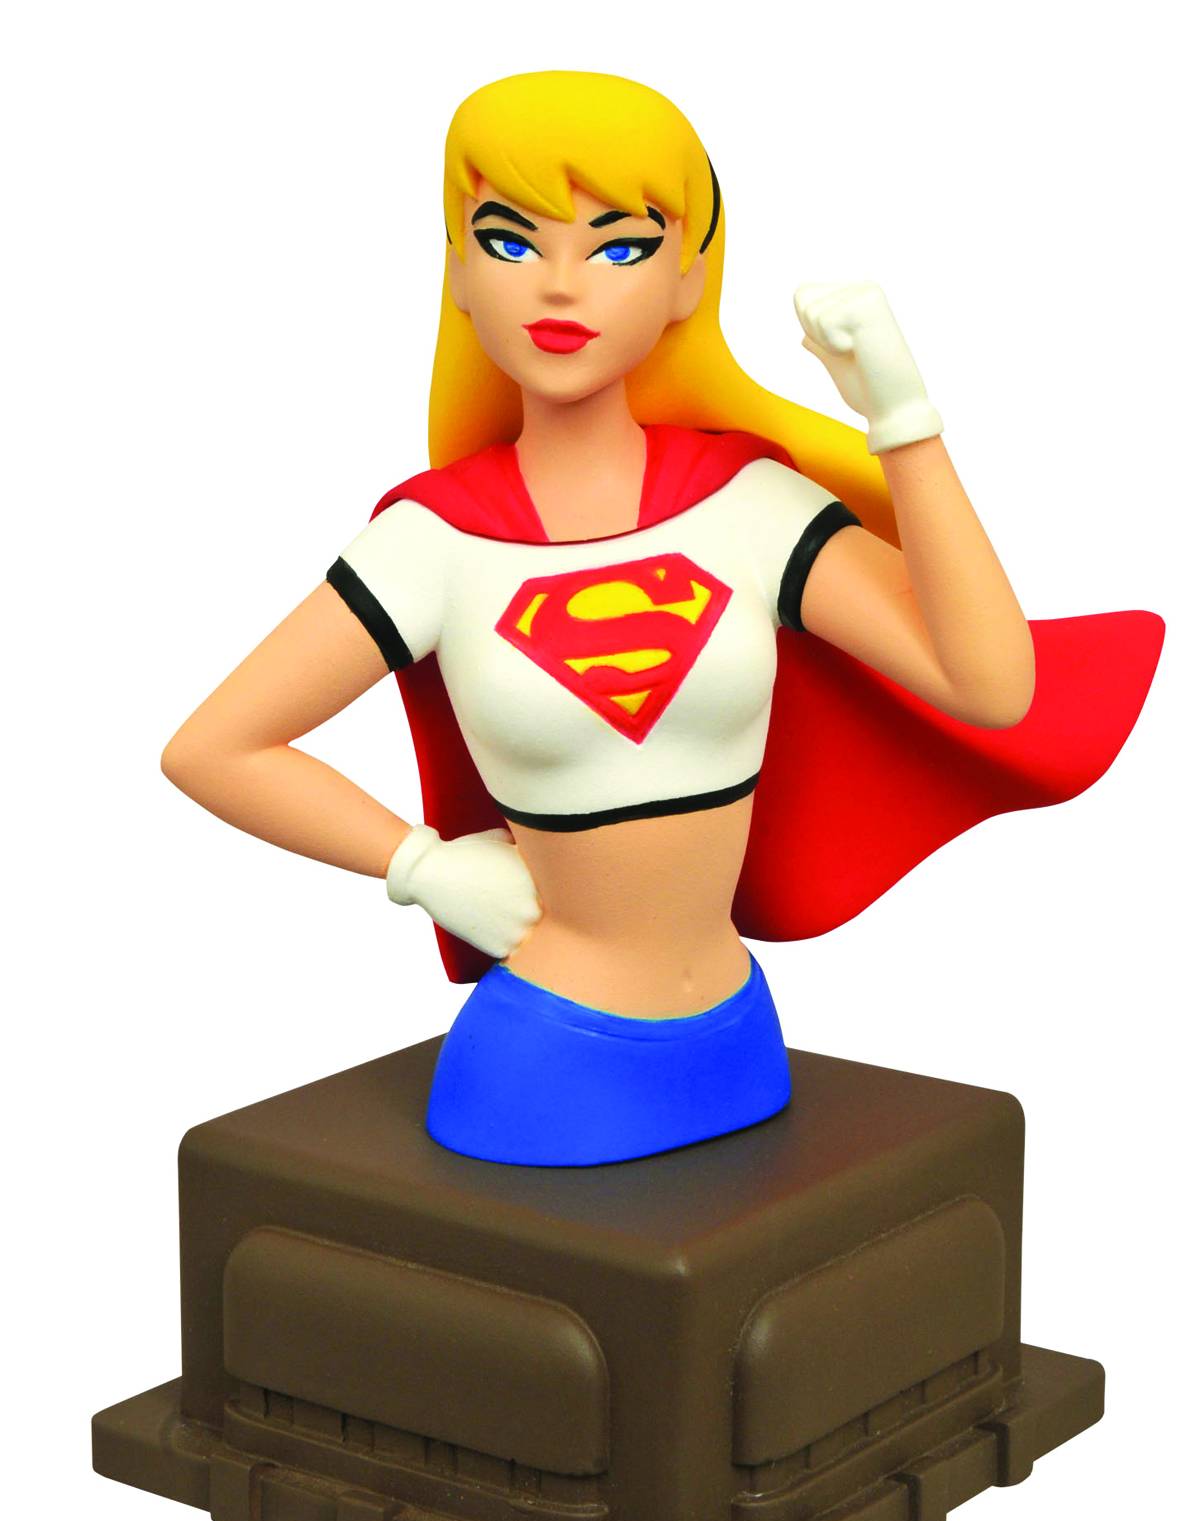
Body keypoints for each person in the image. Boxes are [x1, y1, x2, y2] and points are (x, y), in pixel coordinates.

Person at [161, 71, 1161, 1166]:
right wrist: (418, 865)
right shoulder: (436, 541)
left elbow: (990, 686)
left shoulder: (746, 504)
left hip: (737, 1030)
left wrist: (903, 419)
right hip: (541, 1052)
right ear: (456, 272)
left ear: (689, 279)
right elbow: (215, 748)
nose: (561, 286)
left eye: (621, 246)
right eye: (510, 241)